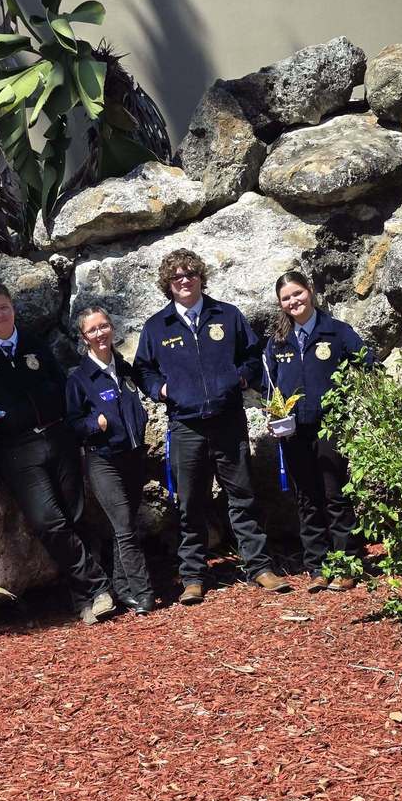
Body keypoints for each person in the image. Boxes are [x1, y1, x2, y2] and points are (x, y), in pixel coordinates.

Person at [0, 281, 115, 625]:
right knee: (48, 521)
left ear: (13, 308)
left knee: (75, 515)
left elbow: (62, 384)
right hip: (17, 448)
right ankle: (99, 586)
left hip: (59, 438)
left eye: (4, 307)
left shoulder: (34, 345)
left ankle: (85, 599)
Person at [134, 248, 290, 603]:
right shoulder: (158, 326)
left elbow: (253, 355)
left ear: (201, 277)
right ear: (168, 285)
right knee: (190, 503)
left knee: (243, 497)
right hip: (185, 426)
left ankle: (260, 568)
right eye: (176, 277)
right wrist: (161, 389)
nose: (184, 280)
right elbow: (143, 369)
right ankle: (193, 576)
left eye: (190, 274)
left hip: (228, 421)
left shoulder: (227, 315)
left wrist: (239, 378)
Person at [264, 270, 374, 591]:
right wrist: (274, 415)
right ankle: (317, 565)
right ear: (280, 304)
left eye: (297, 294)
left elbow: (367, 362)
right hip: (293, 431)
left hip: (330, 429)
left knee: (334, 494)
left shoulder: (336, 332)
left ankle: (347, 564)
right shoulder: (278, 341)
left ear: (309, 292)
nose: (293, 301)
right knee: (307, 498)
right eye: (286, 298)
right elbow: (268, 385)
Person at [66, 306, 155, 615]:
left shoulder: (125, 368)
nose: (100, 333)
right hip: (103, 460)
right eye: (92, 330)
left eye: (104, 326)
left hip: (133, 456)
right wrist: (95, 425)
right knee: (125, 527)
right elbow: (73, 425)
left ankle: (122, 587)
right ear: (83, 337)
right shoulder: (80, 379)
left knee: (124, 526)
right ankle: (144, 594)